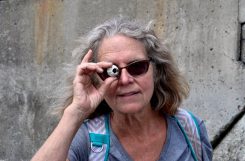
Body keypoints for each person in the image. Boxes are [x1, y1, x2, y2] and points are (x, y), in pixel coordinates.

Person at [31, 17, 212, 161]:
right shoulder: (88, 141)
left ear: (156, 71)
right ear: (96, 78)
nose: (125, 79)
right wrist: (76, 111)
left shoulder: (189, 129)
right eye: (111, 71)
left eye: (137, 67)